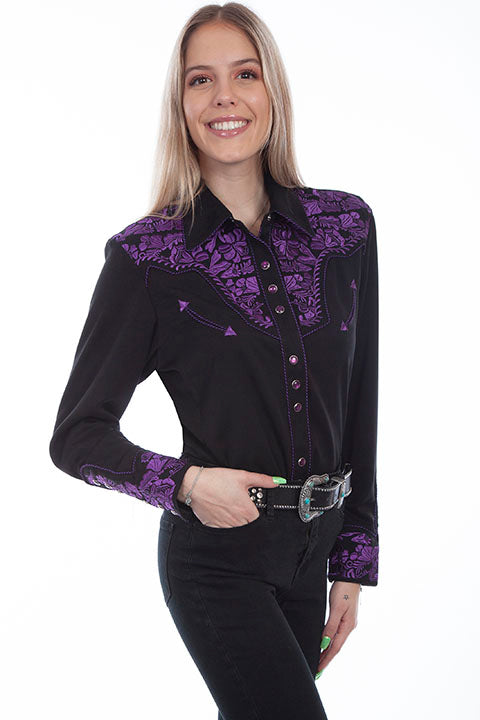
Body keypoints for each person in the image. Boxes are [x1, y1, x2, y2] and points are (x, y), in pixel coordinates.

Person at [49, 3, 379, 719]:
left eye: (245, 74)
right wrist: (187, 483)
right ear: (181, 104)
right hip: (217, 562)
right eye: (201, 80)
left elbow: (359, 402)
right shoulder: (146, 258)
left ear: (273, 91)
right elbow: (76, 437)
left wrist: (353, 561)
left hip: (313, 557)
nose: (225, 97)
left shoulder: (345, 229)